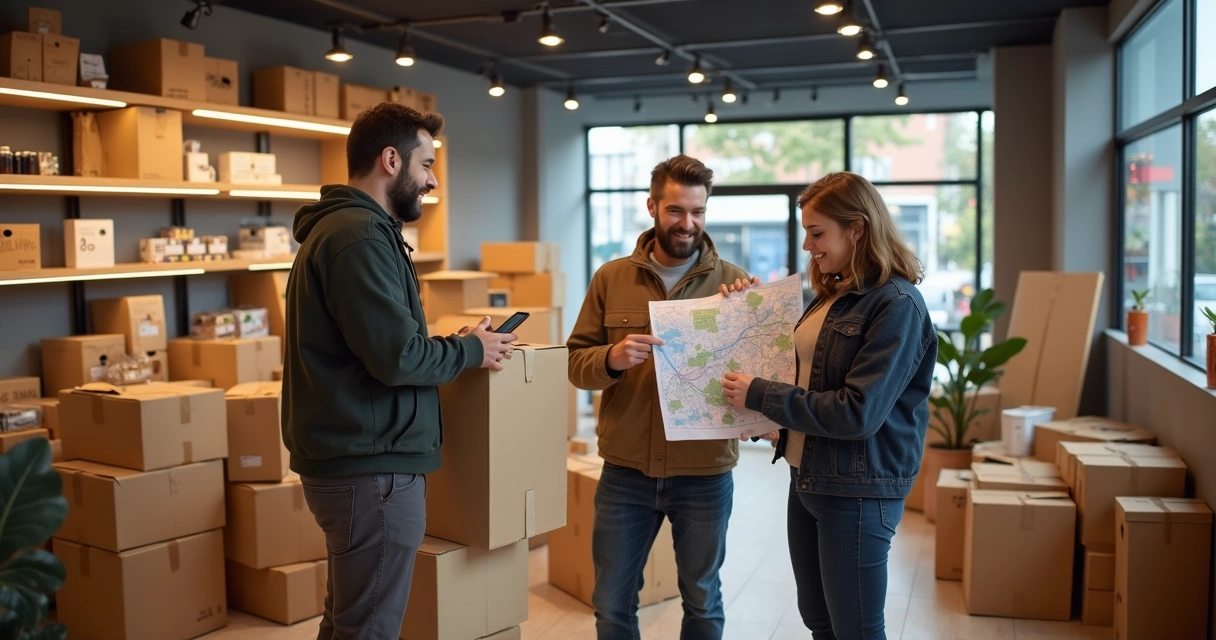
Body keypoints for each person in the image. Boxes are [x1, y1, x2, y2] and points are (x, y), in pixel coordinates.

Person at [281, 102, 516, 639]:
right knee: (370, 628)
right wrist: (471, 353)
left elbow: (383, 346)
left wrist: (452, 347)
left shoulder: (353, 232)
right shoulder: (359, 237)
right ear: (391, 160)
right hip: (372, 470)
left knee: (349, 620)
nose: (432, 180)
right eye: (426, 164)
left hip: (358, 462)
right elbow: (398, 359)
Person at [720, 171, 937, 640]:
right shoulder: (831, 297)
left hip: (857, 490)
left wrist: (762, 395)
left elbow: (857, 412)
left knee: (855, 629)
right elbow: (812, 381)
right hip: (809, 477)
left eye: (817, 233)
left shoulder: (897, 304)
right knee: (819, 622)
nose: (807, 245)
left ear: (857, 229)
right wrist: (772, 422)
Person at [567, 154, 758, 640]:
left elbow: (759, 378)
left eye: (698, 211)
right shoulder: (611, 278)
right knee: (611, 603)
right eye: (676, 210)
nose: (687, 223)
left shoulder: (734, 284)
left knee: (702, 599)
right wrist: (611, 358)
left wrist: (751, 323)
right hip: (626, 471)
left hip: (705, 472)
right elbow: (574, 364)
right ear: (652, 206)